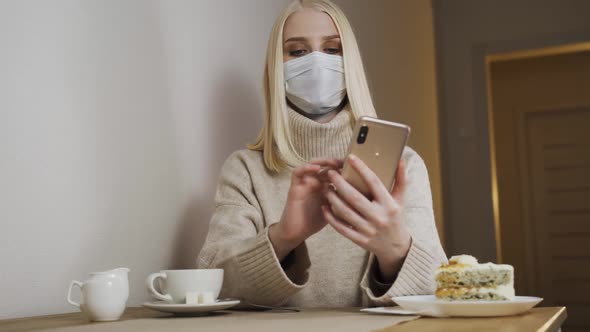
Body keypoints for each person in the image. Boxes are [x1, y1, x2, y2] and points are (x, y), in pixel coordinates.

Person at [197, 0, 447, 307]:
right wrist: (284, 237)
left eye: (332, 49)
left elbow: (440, 291)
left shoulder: (403, 165)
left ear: (350, 62)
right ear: (277, 68)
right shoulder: (245, 170)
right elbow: (211, 282)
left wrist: (394, 248)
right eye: (298, 51)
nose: (316, 62)